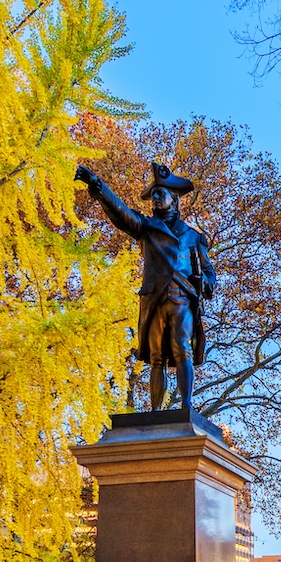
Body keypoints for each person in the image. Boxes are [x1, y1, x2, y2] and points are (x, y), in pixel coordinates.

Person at [76, 162, 217, 411]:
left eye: (159, 193)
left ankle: (186, 406)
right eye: (152, 194)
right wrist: (97, 184)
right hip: (154, 300)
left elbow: (209, 274)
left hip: (182, 297)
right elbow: (121, 213)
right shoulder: (146, 227)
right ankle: (155, 412)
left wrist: (204, 282)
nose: (154, 198)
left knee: (182, 347)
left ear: (173, 198)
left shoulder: (194, 237)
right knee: (156, 359)